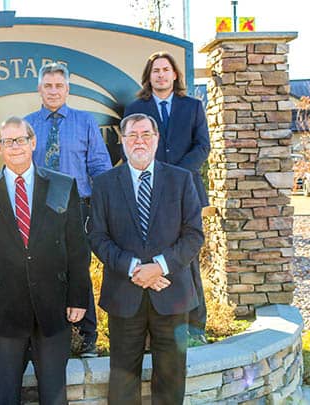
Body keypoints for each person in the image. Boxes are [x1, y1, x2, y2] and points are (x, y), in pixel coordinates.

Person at [0, 116, 91, 405]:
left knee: (54, 396)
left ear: (33, 143)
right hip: (2, 312)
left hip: (53, 308)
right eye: (8, 141)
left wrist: (78, 297)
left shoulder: (62, 185)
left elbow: (77, 248)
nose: (15, 146)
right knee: (4, 395)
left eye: (21, 140)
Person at [89, 113, 204, 404]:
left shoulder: (180, 179)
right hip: (124, 295)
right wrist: (134, 268)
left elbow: (193, 236)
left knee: (171, 378)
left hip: (172, 292)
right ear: (123, 141)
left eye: (146, 135)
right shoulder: (104, 184)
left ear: (156, 139)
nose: (139, 141)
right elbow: (98, 238)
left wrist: (159, 267)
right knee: (123, 380)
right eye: (132, 135)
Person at [25, 62, 112, 357]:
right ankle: (47, 332)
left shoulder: (85, 122)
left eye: (58, 86)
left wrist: (108, 202)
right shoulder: (27, 125)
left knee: (78, 269)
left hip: (78, 207)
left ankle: (88, 335)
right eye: (47, 85)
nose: (53, 91)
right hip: (38, 208)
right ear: (39, 88)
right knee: (40, 269)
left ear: (67, 89)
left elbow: (99, 166)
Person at [124, 51, 210, 343]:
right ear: (149, 77)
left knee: (188, 258)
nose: (161, 75)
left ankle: (196, 327)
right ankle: (153, 330)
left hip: (186, 190)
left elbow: (202, 147)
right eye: (155, 71)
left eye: (165, 70)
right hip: (148, 192)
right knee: (151, 254)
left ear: (175, 75)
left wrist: (175, 174)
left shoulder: (193, 106)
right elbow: (132, 148)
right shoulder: (136, 107)